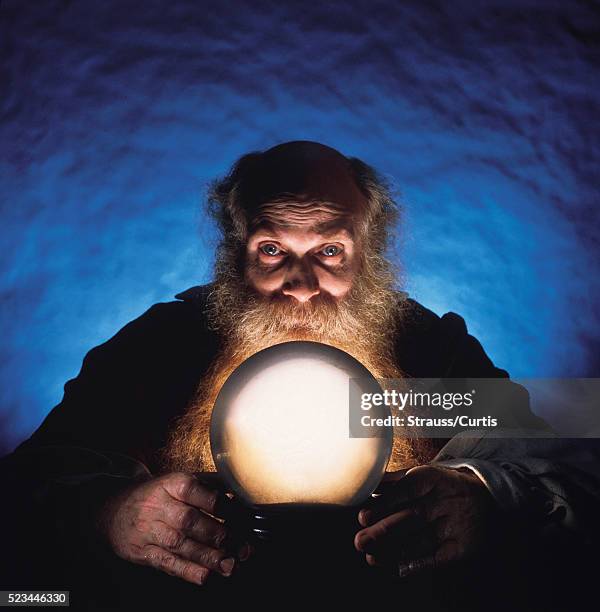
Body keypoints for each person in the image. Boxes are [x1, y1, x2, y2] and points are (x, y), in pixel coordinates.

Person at [0, 141, 598, 610]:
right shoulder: (162, 350)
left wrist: (490, 495)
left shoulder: (427, 352)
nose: (302, 285)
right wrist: (108, 516)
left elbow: (573, 466)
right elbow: (25, 488)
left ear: (369, 251)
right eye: (271, 249)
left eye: (330, 251)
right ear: (236, 253)